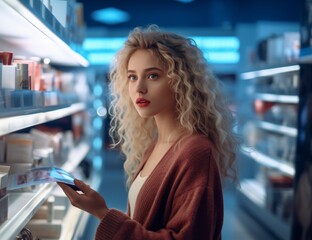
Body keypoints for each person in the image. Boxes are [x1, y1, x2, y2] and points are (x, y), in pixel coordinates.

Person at [58, 24, 240, 240]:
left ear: (180, 82)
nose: (139, 88)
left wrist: (102, 213)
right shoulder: (156, 144)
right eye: (133, 77)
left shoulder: (196, 152)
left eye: (153, 76)